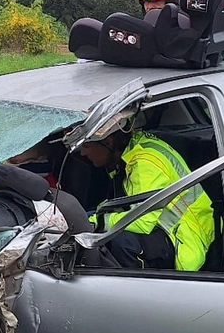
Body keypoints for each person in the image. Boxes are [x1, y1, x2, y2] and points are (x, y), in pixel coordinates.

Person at [74, 116, 214, 272]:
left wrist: (96, 223)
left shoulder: (144, 163)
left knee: (123, 241)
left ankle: (136, 290)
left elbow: (143, 222)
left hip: (185, 241)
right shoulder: (132, 149)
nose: (83, 154)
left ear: (108, 142)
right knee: (91, 216)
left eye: (86, 146)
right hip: (165, 226)